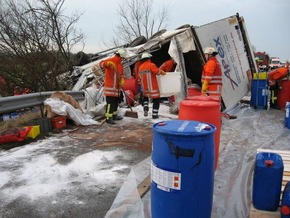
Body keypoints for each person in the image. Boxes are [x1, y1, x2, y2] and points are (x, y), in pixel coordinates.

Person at [98, 49, 127, 124]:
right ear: (120, 57)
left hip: (117, 89)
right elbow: (101, 64)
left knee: (116, 103)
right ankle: (108, 117)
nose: (123, 60)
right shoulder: (111, 60)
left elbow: (122, 74)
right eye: (123, 58)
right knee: (110, 103)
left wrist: (122, 79)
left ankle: (114, 115)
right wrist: (107, 64)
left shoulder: (120, 65)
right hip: (110, 87)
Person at [138, 52, 166, 119]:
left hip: (145, 88)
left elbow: (139, 78)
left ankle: (145, 108)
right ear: (149, 58)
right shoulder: (151, 65)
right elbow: (157, 72)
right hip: (153, 87)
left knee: (145, 98)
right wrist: (161, 72)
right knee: (156, 100)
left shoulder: (140, 67)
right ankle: (155, 115)